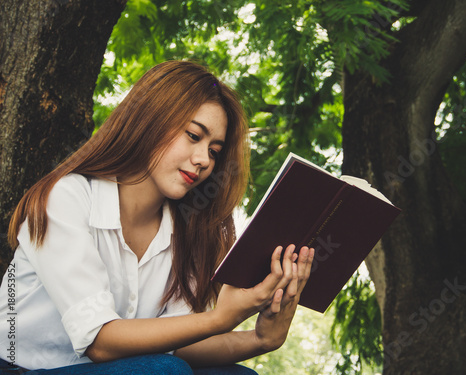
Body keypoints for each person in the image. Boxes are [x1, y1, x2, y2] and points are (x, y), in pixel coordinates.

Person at [0, 60, 314, 374]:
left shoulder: (186, 234)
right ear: (149, 120)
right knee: (164, 370)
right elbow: (100, 342)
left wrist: (261, 339)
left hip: (127, 367)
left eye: (215, 151)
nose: (203, 160)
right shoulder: (67, 198)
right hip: (18, 366)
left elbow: (178, 345)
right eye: (193, 135)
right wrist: (221, 318)